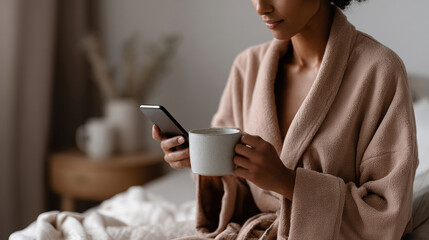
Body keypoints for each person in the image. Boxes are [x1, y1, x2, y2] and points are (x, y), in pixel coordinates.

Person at [153, 0, 418, 239]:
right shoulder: (247, 67)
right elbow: (240, 194)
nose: (260, 7)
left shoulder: (380, 71)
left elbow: (387, 216)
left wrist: (288, 182)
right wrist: (201, 162)